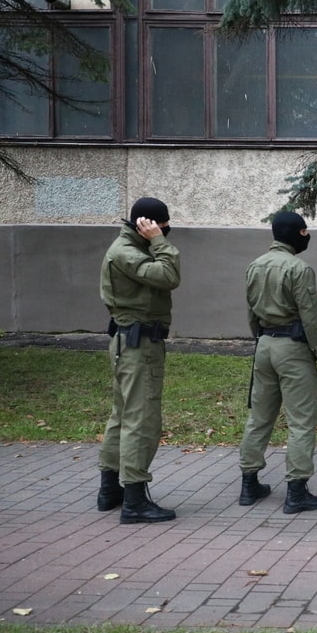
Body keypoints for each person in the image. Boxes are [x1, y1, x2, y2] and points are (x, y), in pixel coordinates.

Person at [239, 211, 317, 514]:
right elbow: (311, 315)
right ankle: (296, 491)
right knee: (301, 421)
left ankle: (249, 484)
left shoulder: (255, 265)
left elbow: (252, 310)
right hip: (292, 349)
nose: (307, 236)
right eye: (305, 232)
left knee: (259, 416)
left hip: (264, 345)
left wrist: (261, 338)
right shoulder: (299, 268)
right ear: (296, 234)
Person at [98, 197, 181, 524]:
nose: (166, 231)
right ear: (147, 225)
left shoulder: (130, 247)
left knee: (122, 415)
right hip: (137, 344)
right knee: (141, 419)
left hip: (131, 341)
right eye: (163, 226)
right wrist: (159, 242)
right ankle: (134, 499)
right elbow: (169, 276)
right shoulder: (127, 252)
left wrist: (154, 240)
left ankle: (110, 491)